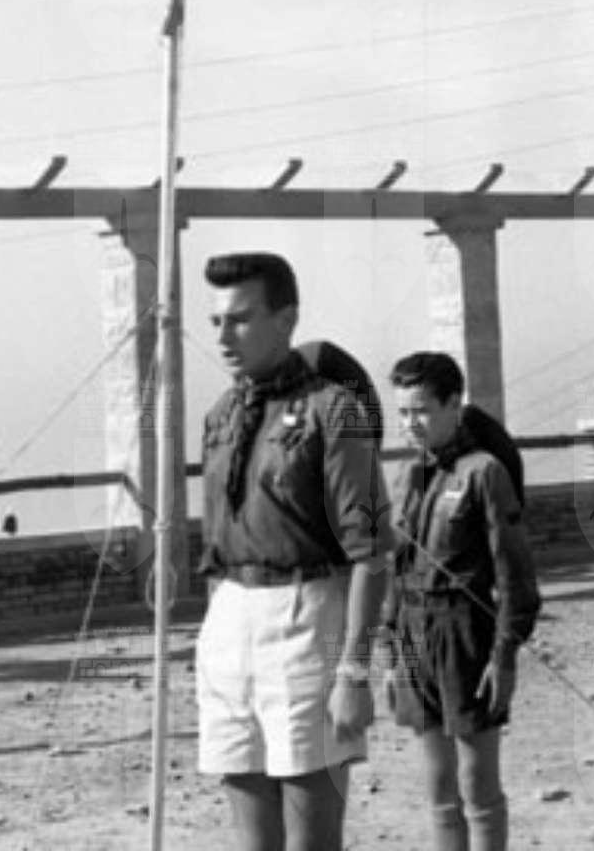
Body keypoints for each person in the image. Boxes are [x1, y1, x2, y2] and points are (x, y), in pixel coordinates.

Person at [196, 251, 392, 851]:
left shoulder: (335, 412)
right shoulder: (221, 415)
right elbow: (217, 547)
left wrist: (353, 672)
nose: (224, 337)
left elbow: (371, 555)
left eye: (241, 319)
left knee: (311, 839)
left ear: (286, 320)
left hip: (307, 617)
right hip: (232, 617)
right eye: (217, 322)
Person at [384, 351, 540, 851]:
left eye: (422, 411)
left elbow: (514, 574)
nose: (411, 423)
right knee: (438, 791)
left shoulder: (484, 473)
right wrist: (391, 654)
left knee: (478, 787)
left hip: (465, 633)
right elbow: (395, 571)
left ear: (454, 405)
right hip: (415, 635)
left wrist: (504, 654)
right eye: (403, 412)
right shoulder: (406, 476)